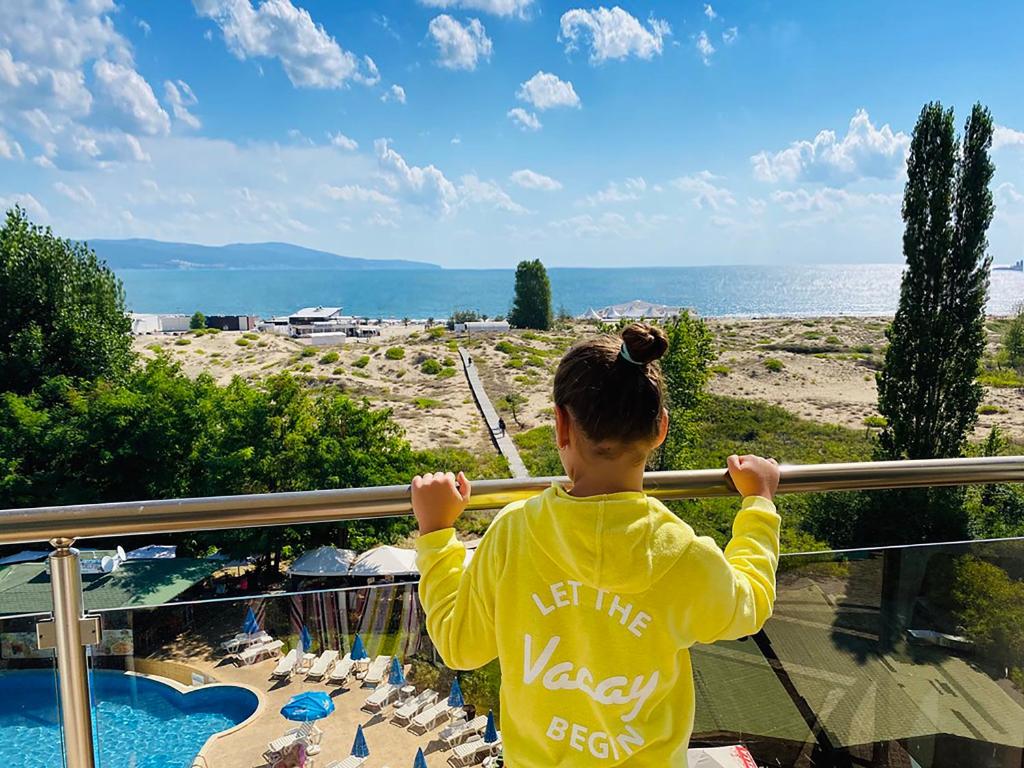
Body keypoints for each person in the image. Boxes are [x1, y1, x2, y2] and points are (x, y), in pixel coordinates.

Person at [412, 323, 780, 766]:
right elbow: (751, 604)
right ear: (659, 427)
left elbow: (459, 645)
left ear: (561, 425)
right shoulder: (683, 553)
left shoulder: (514, 533)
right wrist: (758, 503)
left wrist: (436, 534)